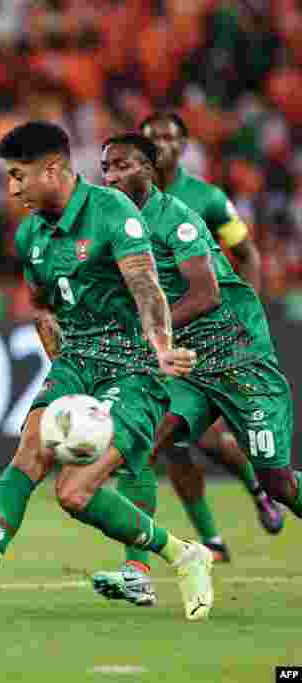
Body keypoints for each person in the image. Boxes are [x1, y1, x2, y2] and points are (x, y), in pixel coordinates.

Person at [0, 121, 213, 626]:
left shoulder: (113, 211)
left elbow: (147, 288)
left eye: (19, 175)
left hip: (133, 365)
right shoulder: (30, 233)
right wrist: (61, 382)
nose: (12, 188)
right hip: (77, 359)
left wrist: (163, 349)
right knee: (27, 453)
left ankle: (182, 553)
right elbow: (43, 308)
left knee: (74, 493)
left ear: (54, 169)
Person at [93, 133, 299, 606]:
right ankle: (137, 572)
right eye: (105, 168)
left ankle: (258, 495)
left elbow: (206, 294)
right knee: (140, 450)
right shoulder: (113, 223)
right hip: (189, 366)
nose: (111, 176)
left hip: (239, 358)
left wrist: (147, 333)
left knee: (279, 482)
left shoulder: (179, 219)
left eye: (122, 166)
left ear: (148, 168)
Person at [141, 112, 282, 560]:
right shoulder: (128, 202)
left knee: (209, 438)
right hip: (165, 333)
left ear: (184, 145)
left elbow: (246, 253)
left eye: (170, 136)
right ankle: (213, 541)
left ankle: (260, 487)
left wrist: (248, 315)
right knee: (174, 444)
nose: (162, 143)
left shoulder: (207, 199)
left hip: (210, 331)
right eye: (153, 137)